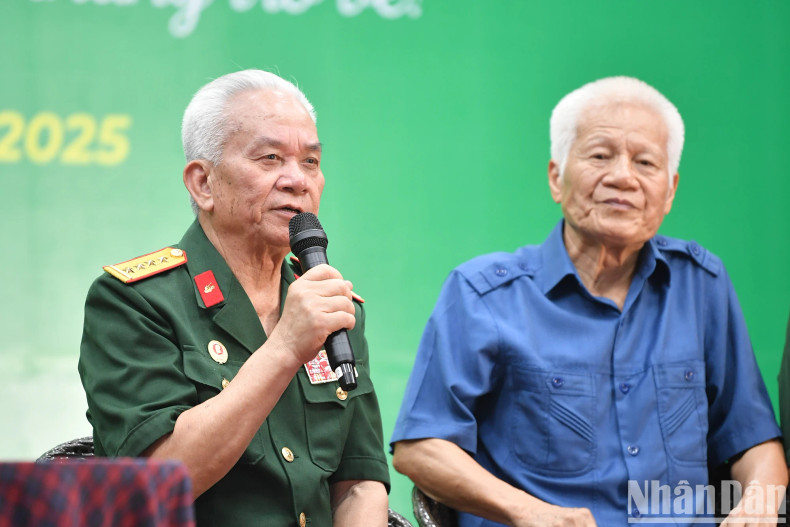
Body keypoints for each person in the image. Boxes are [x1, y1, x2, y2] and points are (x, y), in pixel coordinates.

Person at [390, 76, 786, 526]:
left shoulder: (701, 285)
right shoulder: (483, 294)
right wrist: (529, 512)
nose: (623, 177)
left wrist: (758, 504)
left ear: (670, 191)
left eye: (645, 162)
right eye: (600, 156)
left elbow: (754, 440)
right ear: (556, 178)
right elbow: (420, 448)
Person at [78, 69, 390, 526]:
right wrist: (284, 348)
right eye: (270, 158)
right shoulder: (134, 302)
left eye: (310, 161)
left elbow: (359, 483)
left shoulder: (335, 309)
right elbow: (158, 484)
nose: (297, 180)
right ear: (203, 183)